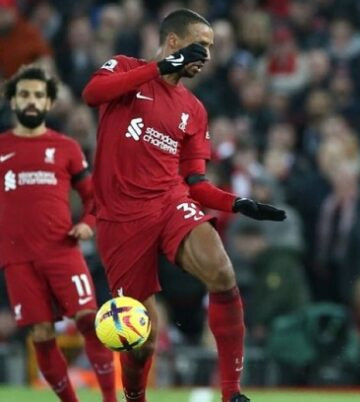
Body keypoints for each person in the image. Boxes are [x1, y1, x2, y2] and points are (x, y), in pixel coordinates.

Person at [81, 9, 285, 402]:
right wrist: (161, 67)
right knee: (143, 341)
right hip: (120, 218)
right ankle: (135, 396)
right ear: (173, 41)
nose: (207, 55)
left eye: (210, 47)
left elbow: (196, 185)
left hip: (169, 203)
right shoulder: (126, 68)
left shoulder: (194, 108)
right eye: (200, 45)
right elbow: (92, 94)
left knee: (222, 271)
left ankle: (231, 393)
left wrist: (239, 204)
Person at [0, 65, 115, 402]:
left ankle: (110, 399)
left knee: (89, 321)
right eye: (24, 95)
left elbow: (94, 196)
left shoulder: (66, 147)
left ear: (49, 103)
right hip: (17, 257)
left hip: (61, 250)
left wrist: (88, 225)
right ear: (13, 101)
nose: (31, 101)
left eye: (38, 95)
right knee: (41, 333)